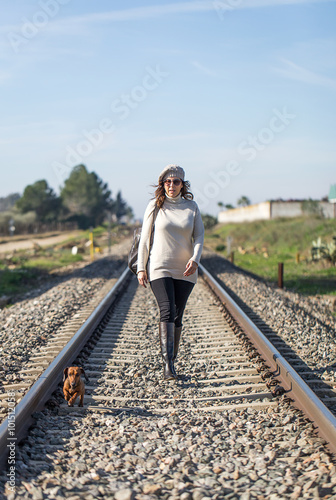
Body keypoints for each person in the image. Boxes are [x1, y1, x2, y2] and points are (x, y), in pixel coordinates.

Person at [137, 164, 204, 380]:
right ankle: (168, 366)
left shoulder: (191, 207)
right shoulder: (155, 206)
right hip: (160, 266)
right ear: (162, 184)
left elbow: (200, 236)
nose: (171, 185)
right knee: (166, 310)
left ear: (182, 184)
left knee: (177, 315)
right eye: (167, 182)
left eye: (176, 181)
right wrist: (141, 267)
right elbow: (144, 240)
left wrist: (195, 259)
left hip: (185, 270)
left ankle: (172, 361)